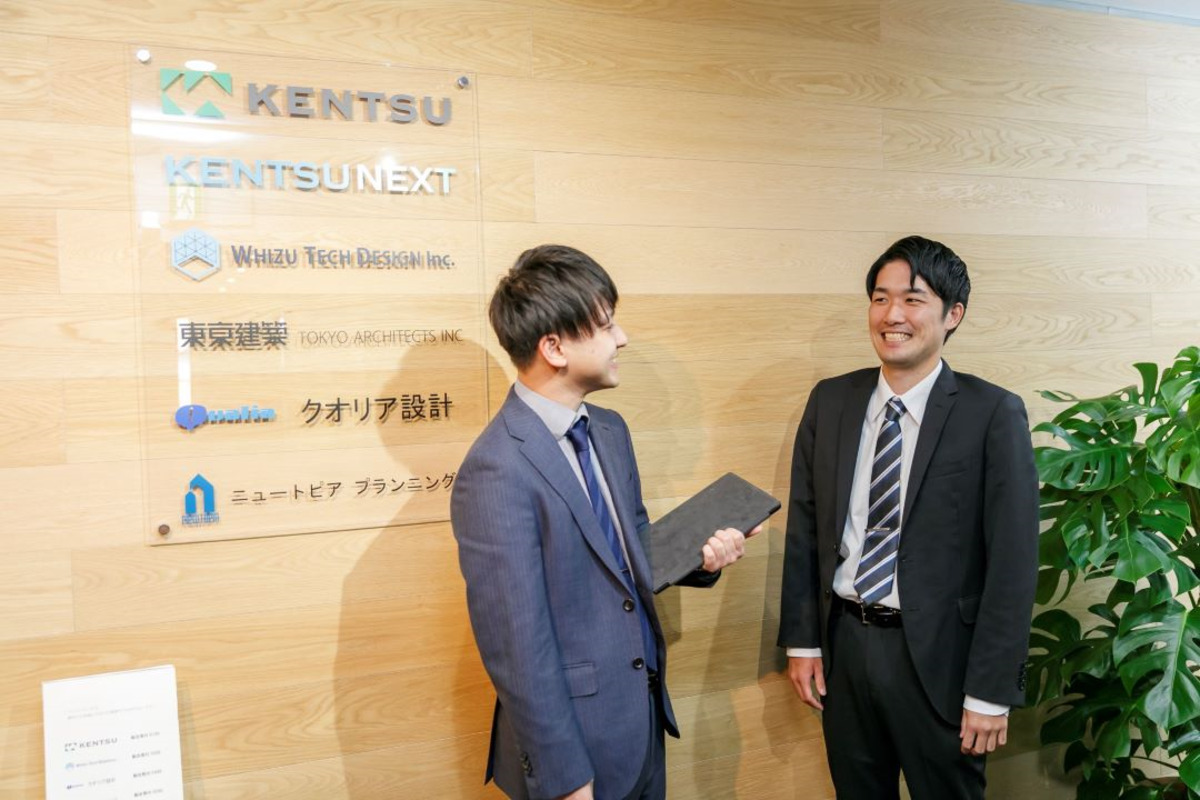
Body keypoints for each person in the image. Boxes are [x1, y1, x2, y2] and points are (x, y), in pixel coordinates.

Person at [452, 244, 757, 800]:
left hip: (640, 723)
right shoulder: (496, 467)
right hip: (574, 753)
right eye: (606, 324)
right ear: (554, 347)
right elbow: (516, 645)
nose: (623, 338)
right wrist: (567, 780)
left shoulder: (610, 430)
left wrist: (703, 556)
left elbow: (631, 552)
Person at [777, 235, 1039, 799]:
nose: (891, 315)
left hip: (942, 663)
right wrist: (803, 643)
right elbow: (806, 527)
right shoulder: (831, 400)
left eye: (913, 299)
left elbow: (1013, 564)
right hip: (845, 647)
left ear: (953, 315)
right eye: (880, 298)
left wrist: (991, 691)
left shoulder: (992, 412)